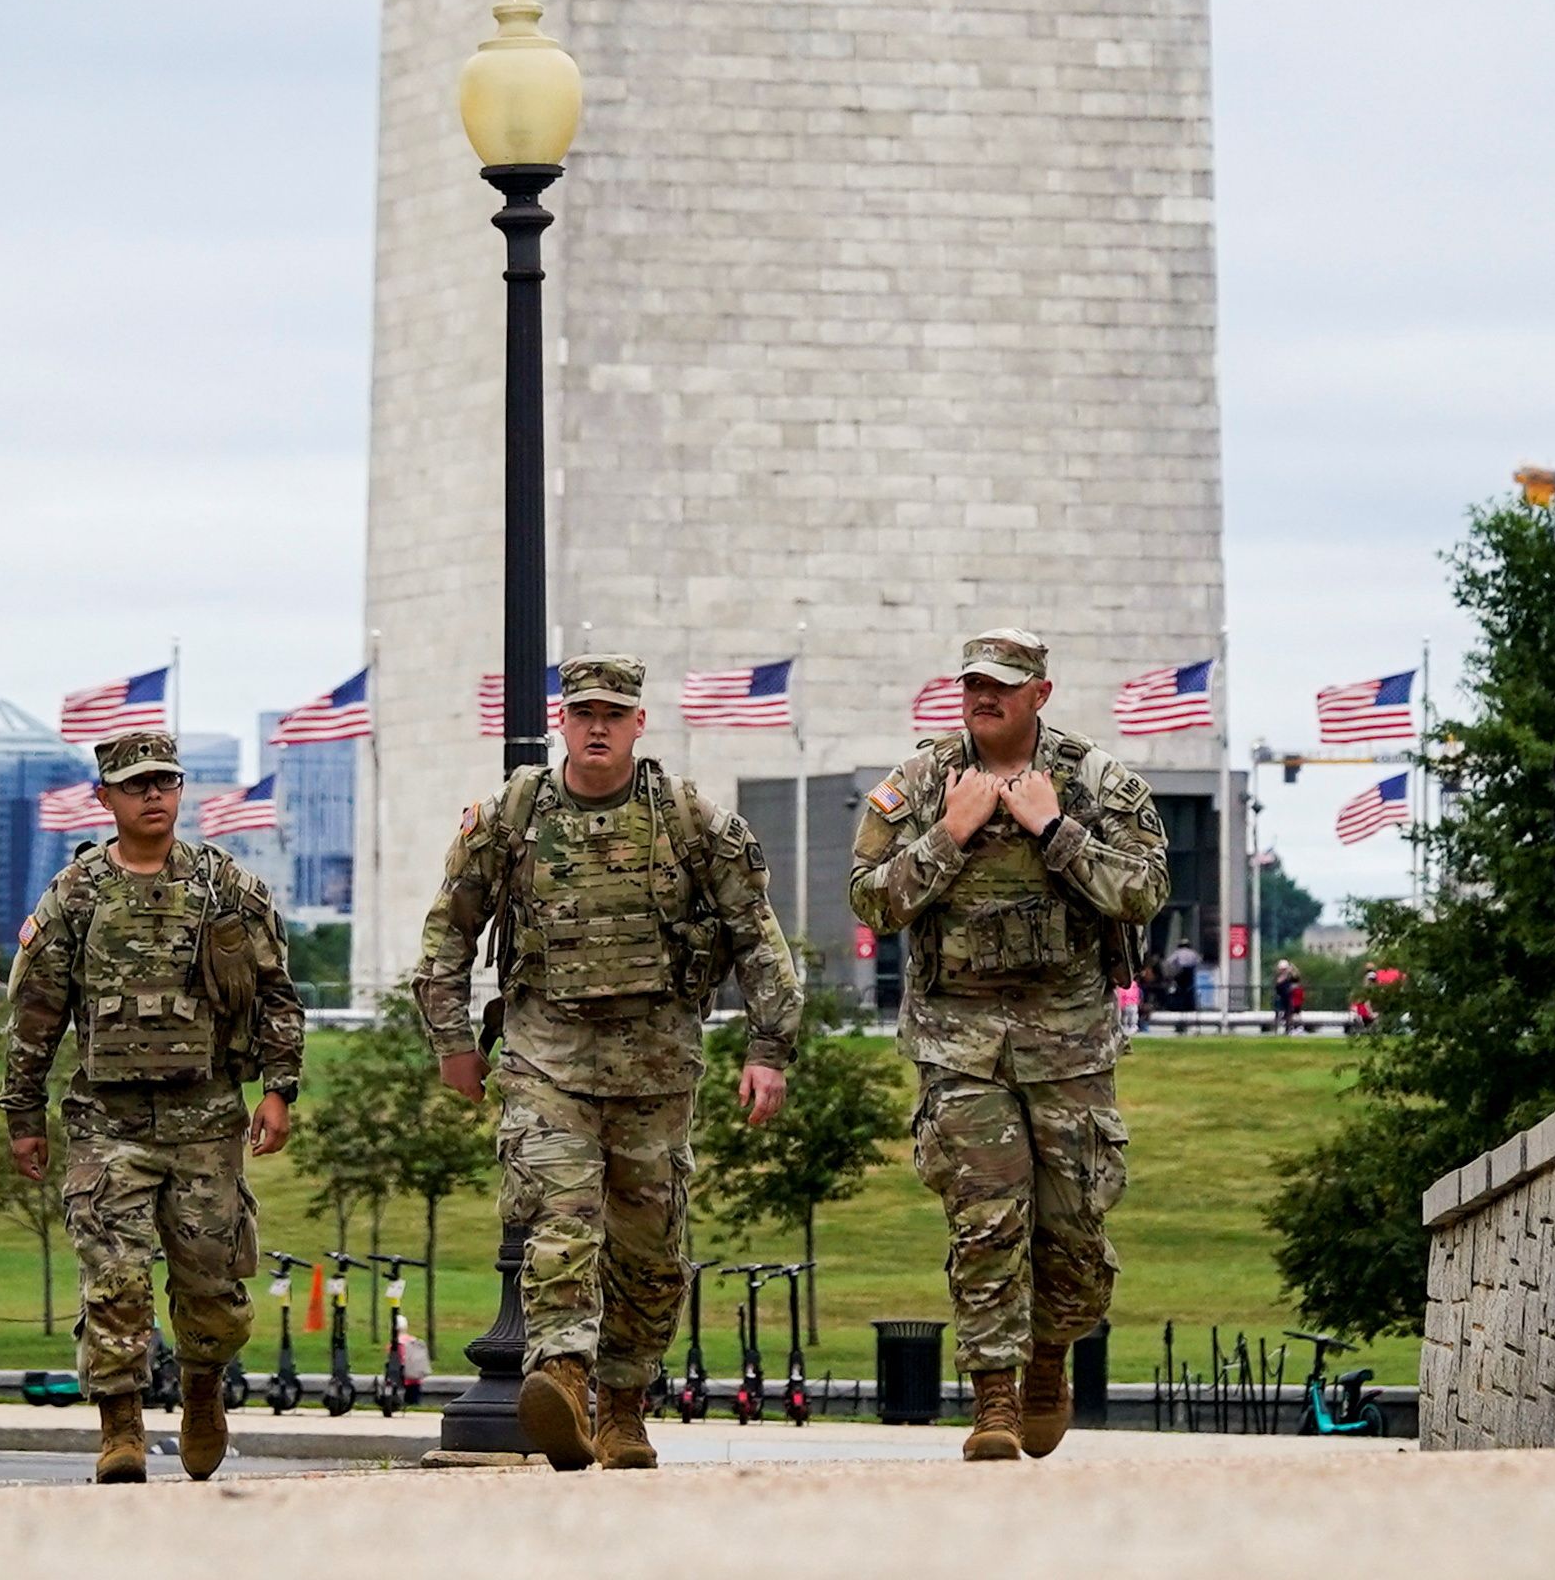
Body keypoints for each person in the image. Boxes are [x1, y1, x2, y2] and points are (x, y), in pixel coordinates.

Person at [411, 652, 801, 1474]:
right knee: (560, 1218)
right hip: (545, 1057)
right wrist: (452, 1041)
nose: (597, 727)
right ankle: (561, 1374)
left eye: (613, 715)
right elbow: (449, 929)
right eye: (583, 712)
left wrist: (769, 1049)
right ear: (562, 721)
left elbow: (757, 936)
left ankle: (623, 1405)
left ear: (638, 723)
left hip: (656, 1069)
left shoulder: (689, 820)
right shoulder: (513, 815)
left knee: (650, 1253)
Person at [851, 628, 1171, 1463]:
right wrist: (948, 836)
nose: (984, 697)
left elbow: (1144, 891)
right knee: (985, 1221)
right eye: (973, 684)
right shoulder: (922, 783)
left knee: (1074, 1230)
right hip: (959, 1044)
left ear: (1041, 693)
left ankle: (1049, 1356)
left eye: (1001, 684)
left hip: (1069, 1046)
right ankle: (993, 1396)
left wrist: (1055, 829)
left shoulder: (1095, 783)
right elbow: (871, 900)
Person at [2, 726, 306, 1485]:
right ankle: (121, 1427)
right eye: (135, 784)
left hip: (207, 1121)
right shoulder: (75, 895)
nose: (152, 795)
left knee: (213, 1287)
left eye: (164, 781)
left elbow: (277, 993)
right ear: (104, 798)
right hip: (107, 1125)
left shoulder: (224, 886)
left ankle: (203, 1389)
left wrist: (278, 1088)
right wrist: (23, 1115)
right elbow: (36, 1012)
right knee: (115, 1278)